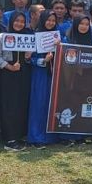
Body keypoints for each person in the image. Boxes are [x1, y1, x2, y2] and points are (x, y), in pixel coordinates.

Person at [0, 12, 32, 150]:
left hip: (23, 74)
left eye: (22, 21)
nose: (19, 24)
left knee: (21, 104)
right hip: (8, 75)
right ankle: (9, 138)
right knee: (9, 105)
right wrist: (9, 67)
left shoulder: (27, 37)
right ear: (11, 21)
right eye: (17, 21)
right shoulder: (2, 37)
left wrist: (28, 57)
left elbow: (30, 59)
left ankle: (19, 135)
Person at [27, 12, 60, 148]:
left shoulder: (58, 37)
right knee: (38, 104)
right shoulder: (35, 36)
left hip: (54, 75)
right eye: (48, 20)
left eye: (53, 21)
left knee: (51, 104)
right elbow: (30, 59)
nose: (51, 23)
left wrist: (60, 47)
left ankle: (50, 137)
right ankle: (36, 137)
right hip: (40, 74)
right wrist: (43, 60)